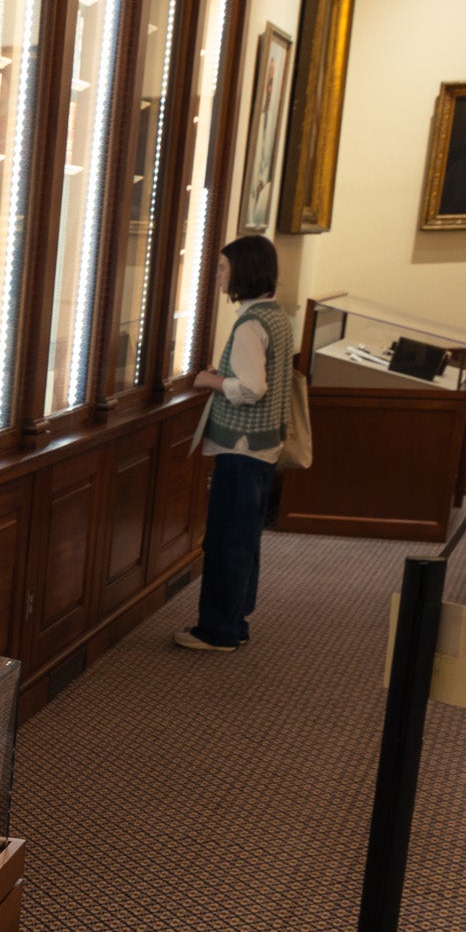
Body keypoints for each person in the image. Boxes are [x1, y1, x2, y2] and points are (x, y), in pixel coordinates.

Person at [177, 236, 294, 654]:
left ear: (243, 272)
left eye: (224, 268)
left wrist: (211, 380)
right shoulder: (275, 315)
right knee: (244, 538)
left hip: (242, 449)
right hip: (264, 448)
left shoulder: (249, 324)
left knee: (226, 539)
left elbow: (250, 388)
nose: (219, 276)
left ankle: (218, 630)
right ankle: (235, 620)